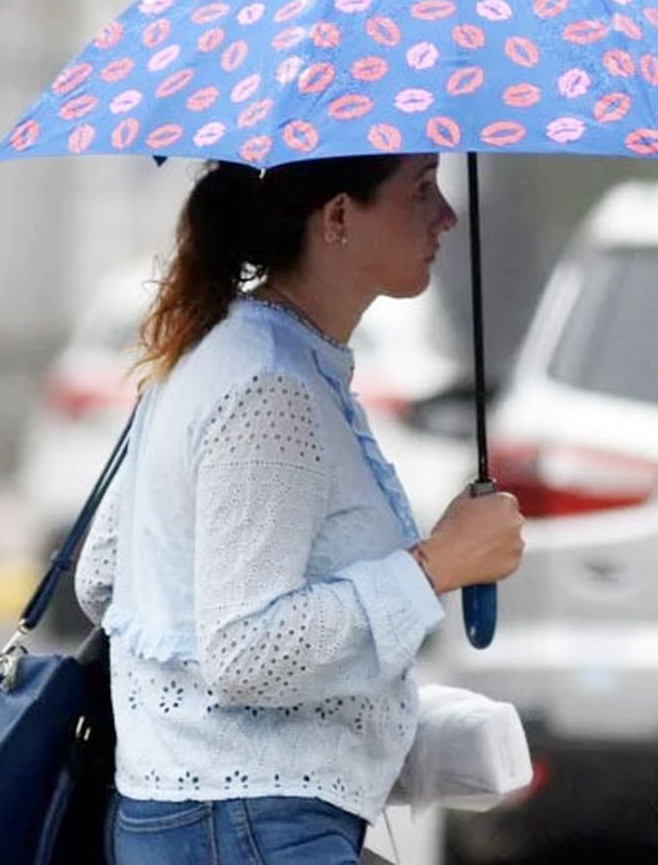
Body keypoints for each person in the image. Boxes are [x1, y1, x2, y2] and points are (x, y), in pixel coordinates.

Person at [75, 153, 526, 864]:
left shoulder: (230, 349)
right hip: (248, 824)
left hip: (216, 818)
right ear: (340, 215)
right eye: (420, 189)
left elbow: (105, 576)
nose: (447, 214)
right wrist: (435, 564)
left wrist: (355, 717)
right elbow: (246, 651)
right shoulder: (270, 386)